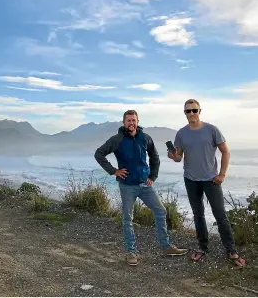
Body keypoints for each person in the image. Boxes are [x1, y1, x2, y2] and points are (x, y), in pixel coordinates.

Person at [95, 110, 187, 266]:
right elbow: (99, 154)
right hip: (127, 186)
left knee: (160, 210)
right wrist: (114, 171)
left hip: (145, 185)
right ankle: (131, 252)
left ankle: (166, 247)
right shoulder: (117, 139)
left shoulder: (145, 138)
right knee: (127, 219)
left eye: (134, 120)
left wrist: (153, 176)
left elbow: (155, 157)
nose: (131, 123)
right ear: (124, 122)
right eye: (128, 120)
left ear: (138, 121)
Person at [168, 99, 246, 267]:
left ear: (199, 111)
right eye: (187, 111)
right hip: (190, 180)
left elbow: (225, 151)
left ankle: (231, 250)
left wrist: (222, 175)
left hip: (211, 180)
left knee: (220, 215)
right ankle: (203, 248)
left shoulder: (211, 129)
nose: (191, 114)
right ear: (185, 113)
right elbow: (179, 157)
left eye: (194, 110)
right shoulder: (181, 133)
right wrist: (173, 156)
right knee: (198, 214)